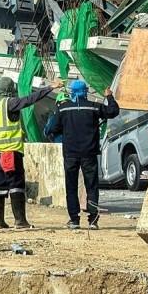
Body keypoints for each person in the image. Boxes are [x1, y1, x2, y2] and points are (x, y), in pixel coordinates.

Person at [0, 76, 62, 229]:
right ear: (9, 89)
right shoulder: (9, 103)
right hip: (10, 150)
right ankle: (20, 221)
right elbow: (29, 100)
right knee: (16, 184)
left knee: (0, 186)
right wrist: (50, 88)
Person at [46, 80, 119, 230]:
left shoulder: (63, 108)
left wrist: (65, 130)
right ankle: (93, 220)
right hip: (89, 153)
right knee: (91, 186)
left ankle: (74, 220)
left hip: (70, 154)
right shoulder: (94, 107)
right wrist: (109, 96)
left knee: (71, 187)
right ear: (86, 91)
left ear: (72, 92)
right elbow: (113, 111)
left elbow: (52, 128)